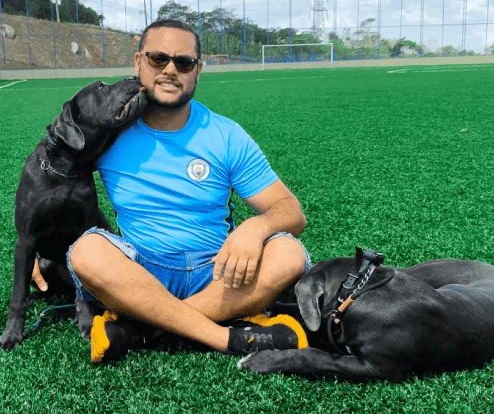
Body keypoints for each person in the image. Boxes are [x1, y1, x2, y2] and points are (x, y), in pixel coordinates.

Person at [33, 19, 312, 362]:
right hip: (140, 271)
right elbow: (50, 183)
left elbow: (291, 211)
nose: (170, 70)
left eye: (183, 62)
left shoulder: (225, 134)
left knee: (288, 253)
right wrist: (37, 248)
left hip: (218, 272)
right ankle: (226, 338)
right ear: (139, 62)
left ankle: (141, 329)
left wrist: (256, 228)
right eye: (158, 59)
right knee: (87, 251)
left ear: (198, 71)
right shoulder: (107, 135)